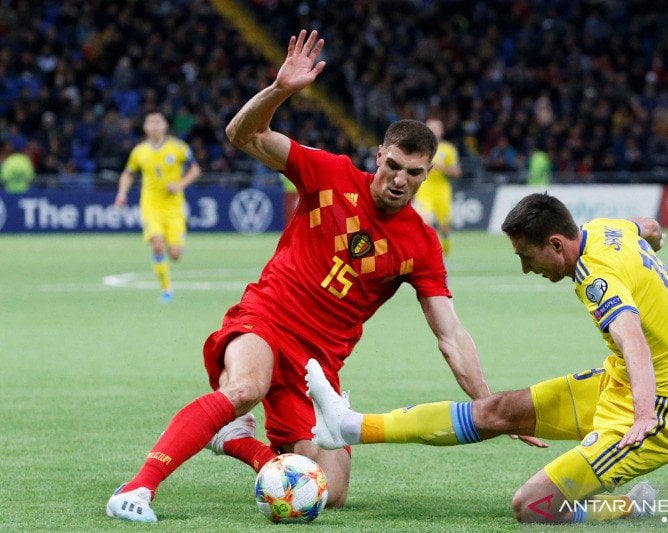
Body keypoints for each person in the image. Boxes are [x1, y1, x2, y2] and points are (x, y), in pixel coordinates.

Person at [106, 30, 490, 523]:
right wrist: (279, 90)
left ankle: (238, 441)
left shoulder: (421, 245)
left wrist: (488, 404)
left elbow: (450, 334)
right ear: (378, 155)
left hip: (318, 365)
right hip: (266, 318)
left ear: (427, 172)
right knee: (245, 388)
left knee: (329, 492)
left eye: (413, 173)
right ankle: (137, 489)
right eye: (393, 165)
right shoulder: (329, 173)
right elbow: (241, 135)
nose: (399, 180)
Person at [307, 192, 668, 525]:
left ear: (556, 244)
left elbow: (632, 339)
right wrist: (655, 241)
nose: (526, 269)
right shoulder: (603, 230)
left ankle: (631, 507)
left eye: (527, 257)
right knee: (495, 410)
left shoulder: (596, 277)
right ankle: (349, 427)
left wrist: (644, 415)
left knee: (532, 506)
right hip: (617, 383)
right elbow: (647, 226)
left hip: (659, 412)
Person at [114, 111, 202, 303]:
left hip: (174, 207)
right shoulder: (139, 152)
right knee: (157, 244)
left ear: (165, 126)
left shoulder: (178, 148)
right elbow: (128, 174)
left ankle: (172, 250)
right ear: (145, 127)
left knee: (175, 255)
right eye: (150, 122)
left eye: (158, 122)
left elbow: (195, 169)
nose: (154, 126)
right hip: (151, 205)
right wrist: (121, 194)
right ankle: (166, 290)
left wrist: (180, 185)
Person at [413, 118, 462, 257]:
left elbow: (457, 172)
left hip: (442, 191)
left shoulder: (448, 149)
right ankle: (429, 256)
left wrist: (440, 167)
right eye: (431, 128)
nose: (433, 131)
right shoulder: (418, 148)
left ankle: (445, 250)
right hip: (424, 190)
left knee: (445, 227)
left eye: (436, 128)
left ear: (442, 131)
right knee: (425, 222)